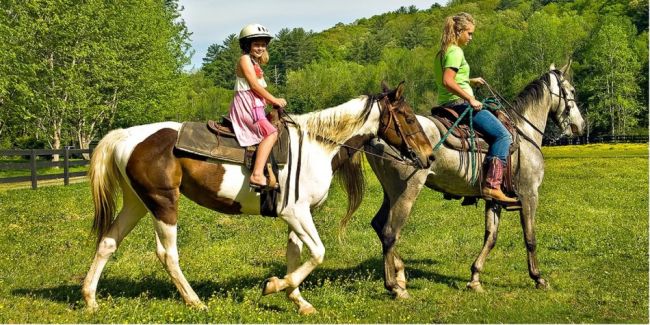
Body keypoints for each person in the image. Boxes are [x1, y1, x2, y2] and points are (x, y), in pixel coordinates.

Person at [433, 13, 517, 203]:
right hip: (460, 104)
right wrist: (470, 98)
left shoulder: (442, 53)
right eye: (469, 33)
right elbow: (448, 81)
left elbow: (449, 78)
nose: (471, 38)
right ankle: (493, 185)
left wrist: (471, 80)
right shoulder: (456, 52)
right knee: (503, 135)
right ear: (459, 31)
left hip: (445, 104)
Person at [229, 23, 287, 189]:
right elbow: (254, 86)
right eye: (256, 44)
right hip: (246, 106)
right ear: (248, 45)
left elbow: (261, 91)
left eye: (263, 44)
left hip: (256, 107)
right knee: (270, 133)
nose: (260, 48)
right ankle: (257, 174)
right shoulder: (244, 59)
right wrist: (274, 99)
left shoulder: (256, 63)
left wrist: (272, 103)